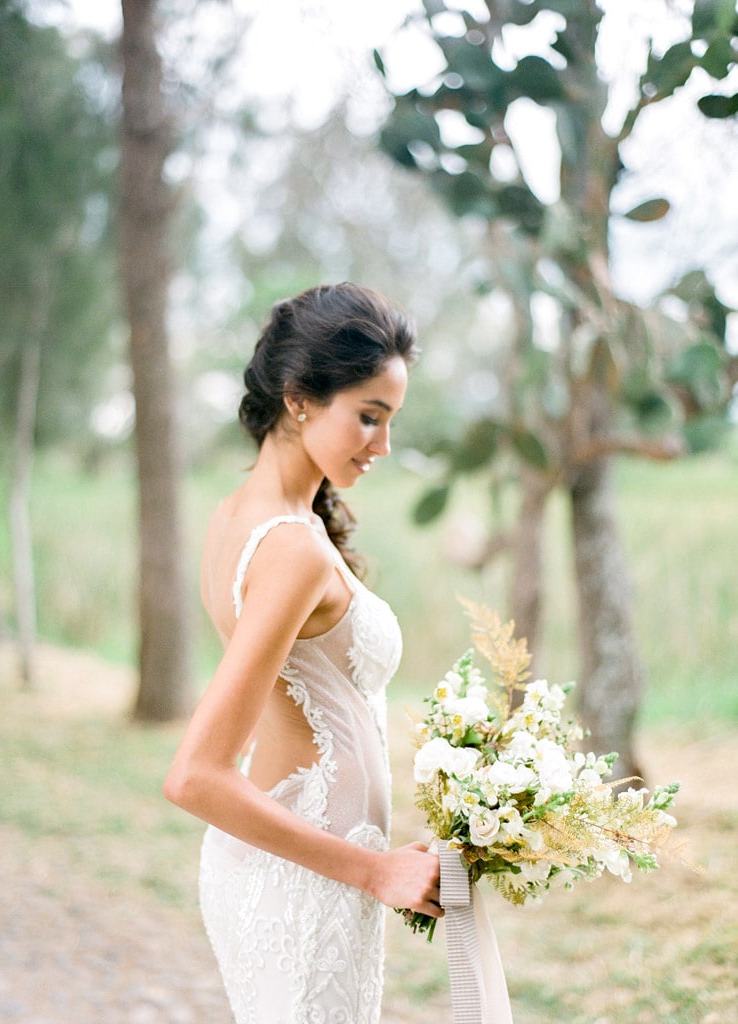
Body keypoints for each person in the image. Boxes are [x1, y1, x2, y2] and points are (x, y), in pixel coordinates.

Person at [164, 282, 443, 1024]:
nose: (382, 445)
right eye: (369, 418)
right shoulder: (290, 549)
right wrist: (375, 869)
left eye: (390, 421)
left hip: (304, 870)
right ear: (298, 399)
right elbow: (195, 776)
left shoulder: (243, 517)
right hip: (308, 884)